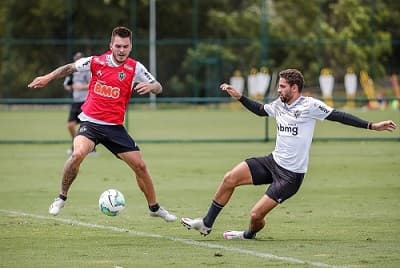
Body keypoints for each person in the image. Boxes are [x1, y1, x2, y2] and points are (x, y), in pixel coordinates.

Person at [181, 69, 397, 239]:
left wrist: (372, 125)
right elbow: (260, 110)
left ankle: (248, 235)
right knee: (230, 178)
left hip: (290, 176)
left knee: (256, 216)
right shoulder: (280, 104)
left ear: (295, 88)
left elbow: (338, 116)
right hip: (273, 162)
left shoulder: (310, 105)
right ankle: (206, 223)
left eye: (282, 86)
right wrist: (240, 97)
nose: (279, 90)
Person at [28, 26, 177, 222]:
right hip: (91, 123)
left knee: (140, 166)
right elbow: (69, 68)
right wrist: (47, 77)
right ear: (111, 46)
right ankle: (61, 197)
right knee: (78, 154)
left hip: (114, 127)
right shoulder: (96, 62)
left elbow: (159, 86)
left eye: (125, 46)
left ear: (130, 46)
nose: (121, 50)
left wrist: (151, 86)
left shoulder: (135, 67)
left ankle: (154, 208)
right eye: (118, 46)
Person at [63, 52, 91, 155]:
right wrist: (71, 87)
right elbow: (66, 85)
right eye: (76, 60)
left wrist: (81, 87)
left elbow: (92, 85)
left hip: (86, 102)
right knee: (70, 125)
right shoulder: (71, 72)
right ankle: (75, 145)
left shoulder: (87, 72)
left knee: (85, 127)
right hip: (76, 102)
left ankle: (90, 149)